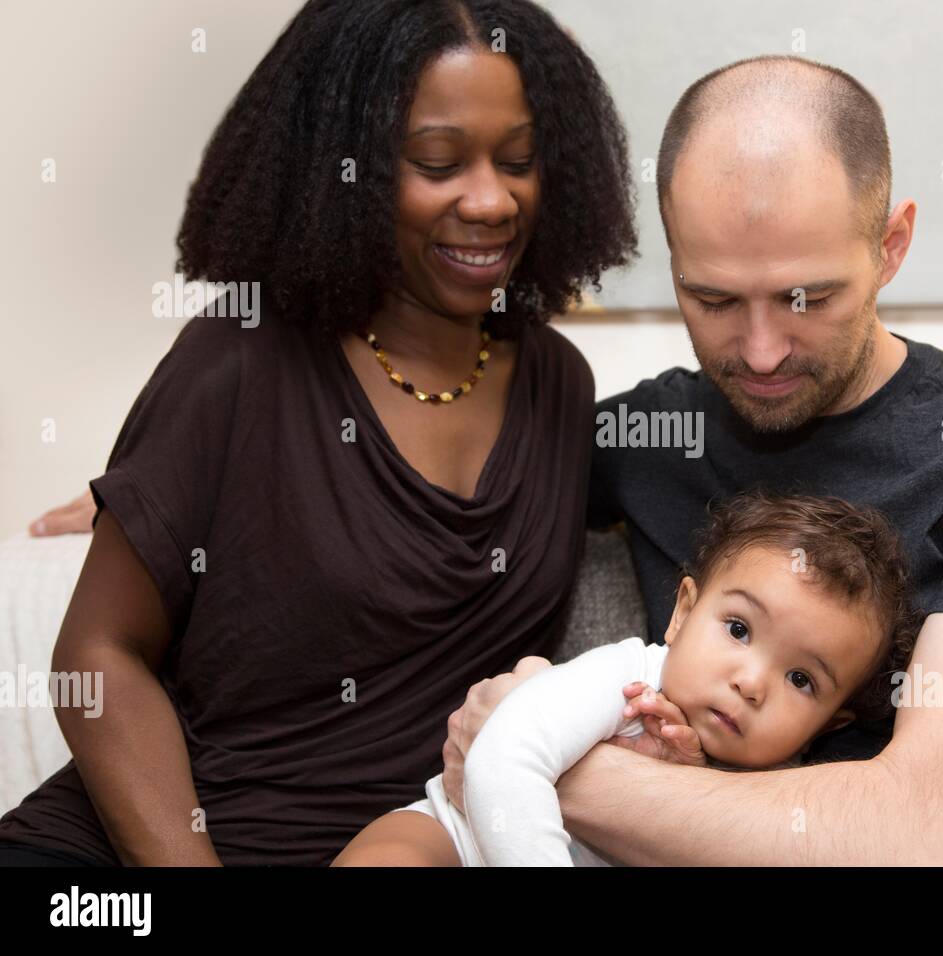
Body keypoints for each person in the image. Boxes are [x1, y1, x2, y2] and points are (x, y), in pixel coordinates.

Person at [438, 55, 943, 866]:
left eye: (810, 299)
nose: (760, 354)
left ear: (891, 245)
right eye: (714, 299)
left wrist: (527, 755)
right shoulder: (646, 439)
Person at [1, 0, 636, 866]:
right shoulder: (241, 361)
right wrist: (155, 498)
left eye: (519, 160)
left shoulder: (561, 386)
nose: (491, 200)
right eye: (437, 162)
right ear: (349, 170)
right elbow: (96, 657)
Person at [332, 489, 920, 865]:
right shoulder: (629, 677)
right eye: (739, 630)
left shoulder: (780, 796)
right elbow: (504, 757)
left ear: (833, 721)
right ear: (684, 612)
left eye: (800, 679)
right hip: (457, 841)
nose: (750, 682)